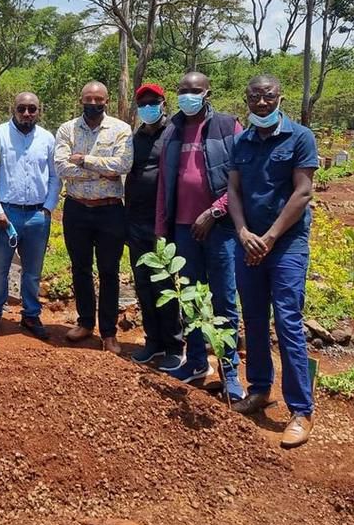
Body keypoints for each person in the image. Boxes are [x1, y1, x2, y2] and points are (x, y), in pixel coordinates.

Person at [228, 75, 318, 448]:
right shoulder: (241, 141)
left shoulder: (299, 137)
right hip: (249, 244)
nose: (261, 103)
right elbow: (232, 190)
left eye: (267, 97)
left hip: (285, 246)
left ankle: (301, 410)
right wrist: (244, 232)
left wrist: (270, 236)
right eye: (254, 97)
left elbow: (303, 192)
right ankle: (260, 389)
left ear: (279, 98)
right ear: (246, 99)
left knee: (287, 322)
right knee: (252, 318)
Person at [155, 72, 245, 400]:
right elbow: (166, 182)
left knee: (223, 298)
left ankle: (229, 370)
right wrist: (162, 228)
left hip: (219, 228)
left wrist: (214, 212)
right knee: (189, 297)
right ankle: (195, 361)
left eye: (195, 90)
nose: (188, 95)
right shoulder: (173, 130)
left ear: (208, 92)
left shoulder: (226, 126)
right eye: (182, 90)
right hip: (182, 227)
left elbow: (240, 177)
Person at [54, 81, 133, 354]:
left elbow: (122, 165)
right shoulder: (67, 129)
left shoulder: (121, 129)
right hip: (76, 208)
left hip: (110, 209)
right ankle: (86, 322)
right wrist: (102, 169)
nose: (93, 103)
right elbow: (62, 167)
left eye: (98, 99)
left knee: (110, 272)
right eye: (88, 99)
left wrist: (84, 160)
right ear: (81, 100)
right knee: (80, 268)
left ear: (106, 101)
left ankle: (109, 332)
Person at [0, 92, 60, 340]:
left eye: (32, 109)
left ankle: (30, 314)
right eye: (21, 108)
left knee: (32, 271)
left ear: (39, 110)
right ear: (12, 109)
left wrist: (48, 207)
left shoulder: (47, 138)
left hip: (38, 214)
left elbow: (55, 176)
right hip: (7, 213)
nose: (27, 113)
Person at [125, 83, 183, 371]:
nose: (148, 106)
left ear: (163, 102)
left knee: (165, 284)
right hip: (135, 223)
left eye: (153, 101)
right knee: (143, 284)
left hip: (164, 223)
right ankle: (153, 342)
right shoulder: (134, 138)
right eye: (143, 102)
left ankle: (174, 345)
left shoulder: (174, 134)